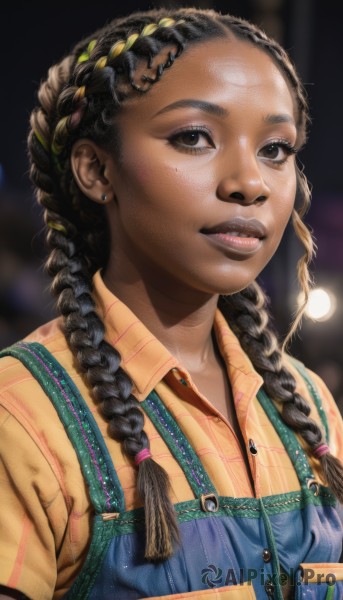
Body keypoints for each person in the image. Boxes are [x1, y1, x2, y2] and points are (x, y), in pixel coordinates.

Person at [0, 7, 342, 600]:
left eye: (276, 149)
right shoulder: (23, 418)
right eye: (193, 137)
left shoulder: (309, 406)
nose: (249, 182)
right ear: (95, 169)